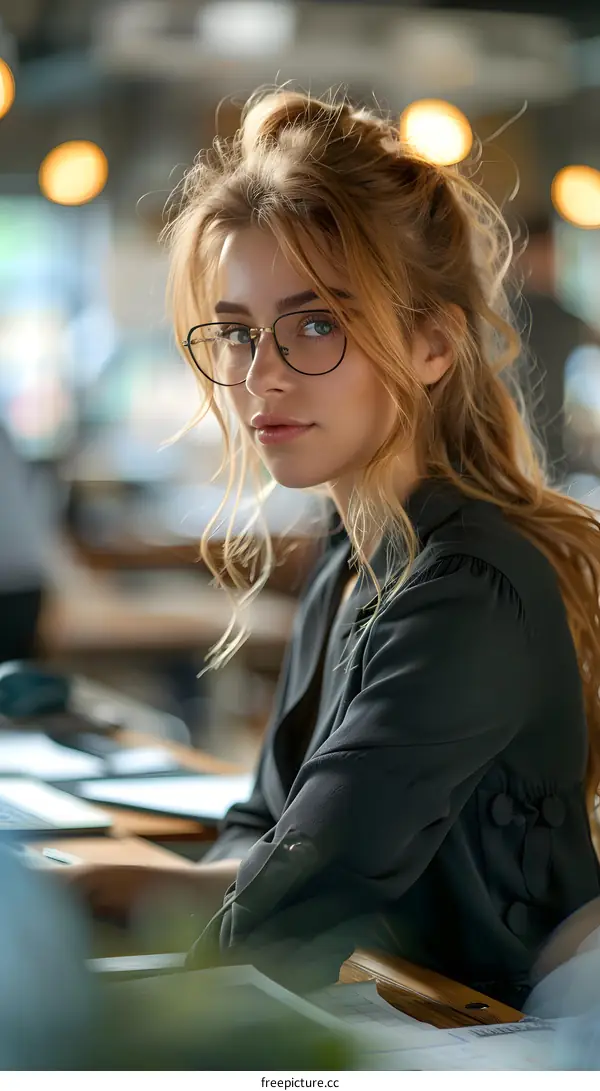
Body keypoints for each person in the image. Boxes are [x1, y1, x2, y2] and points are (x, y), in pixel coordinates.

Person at [62, 90, 600, 1009]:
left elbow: (290, 916)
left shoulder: (468, 588)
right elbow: (265, 837)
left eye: (316, 323)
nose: (259, 373)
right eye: (236, 331)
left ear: (432, 343)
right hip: (393, 1008)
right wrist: (93, 886)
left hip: (500, 1041)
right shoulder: (354, 551)